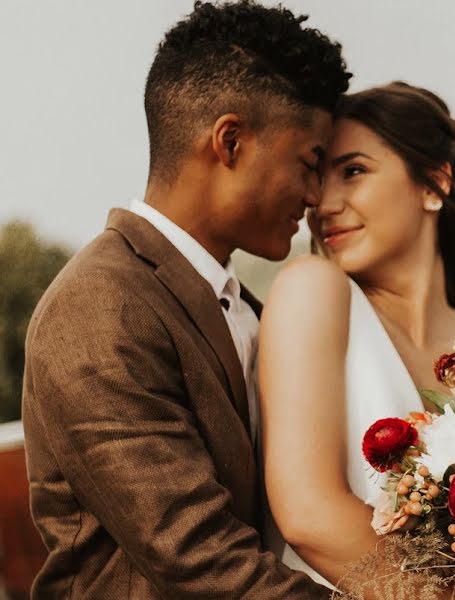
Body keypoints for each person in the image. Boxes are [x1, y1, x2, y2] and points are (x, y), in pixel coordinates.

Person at [21, 2, 350, 597]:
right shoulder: (101, 304)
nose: (314, 195)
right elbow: (197, 557)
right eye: (310, 163)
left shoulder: (243, 301)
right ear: (230, 142)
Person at [258, 82, 455, 592]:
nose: (322, 202)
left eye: (352, 172)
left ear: (433, 184)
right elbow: (308, 514)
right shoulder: (313, 291)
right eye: (318, 177)